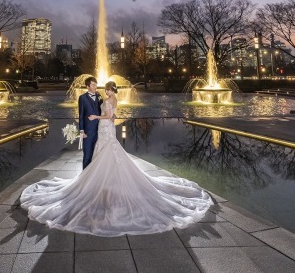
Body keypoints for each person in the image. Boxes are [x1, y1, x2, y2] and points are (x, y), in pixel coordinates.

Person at [20, 80, 212, 237]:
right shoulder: (104, 99)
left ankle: (106, 182)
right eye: (104, 89)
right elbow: (107, 115)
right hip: (104, 130)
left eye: (108, 89)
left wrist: (97, 117)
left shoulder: (111, 100)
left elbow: (108, 115)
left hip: (105, 129)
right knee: (101, 153)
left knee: (109, 153)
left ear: (113, 90)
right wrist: (96, 121)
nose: (105, 91)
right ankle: (100, 180)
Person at [77, 76, 101, 169]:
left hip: (100, 130)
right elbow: (81, 114)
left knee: (98, 156)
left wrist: (112, 114)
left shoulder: (99, 96)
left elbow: (104, 110)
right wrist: (82, 130)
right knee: (87, 155)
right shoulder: (82, 98)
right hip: (88, 131)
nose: (95, 86)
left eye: (96, 84)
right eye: (93, 84)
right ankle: (85, 179)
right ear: (87, 86)